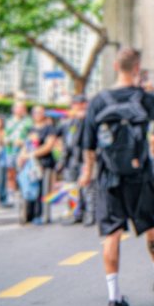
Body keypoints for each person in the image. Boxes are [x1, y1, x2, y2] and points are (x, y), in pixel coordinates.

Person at [80, 47, 154, 306]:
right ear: (136, 68)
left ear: (115, 66)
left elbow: (88, 145)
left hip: (109, 178)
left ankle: (114, 298)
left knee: (111, 234)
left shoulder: (98, 101)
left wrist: (87, 172)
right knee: (149, 226)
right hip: (140, 175)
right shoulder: (145, 98)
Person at [60, 95, 91, 224]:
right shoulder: (69, 122)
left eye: (80, 104)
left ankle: (89, 213)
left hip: (85, 157)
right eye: (75, 104)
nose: (77, 106)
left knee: (87, 188)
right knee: (72, 188)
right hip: (71, 159)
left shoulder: (89, 119)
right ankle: (75, 213)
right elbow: (65, 141)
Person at [29, 106, 58, 224]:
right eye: (35, 112)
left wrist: (33, 154)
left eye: (40, 112)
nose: (37, 114)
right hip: (33, 164)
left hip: (45, 163)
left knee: (44, 190)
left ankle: (44, 215)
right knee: (34, 189)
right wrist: (24, 155)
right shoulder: (31, 129)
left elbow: (49, 145)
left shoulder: (49, 128)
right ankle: (33, 214)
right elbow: (27, 144)